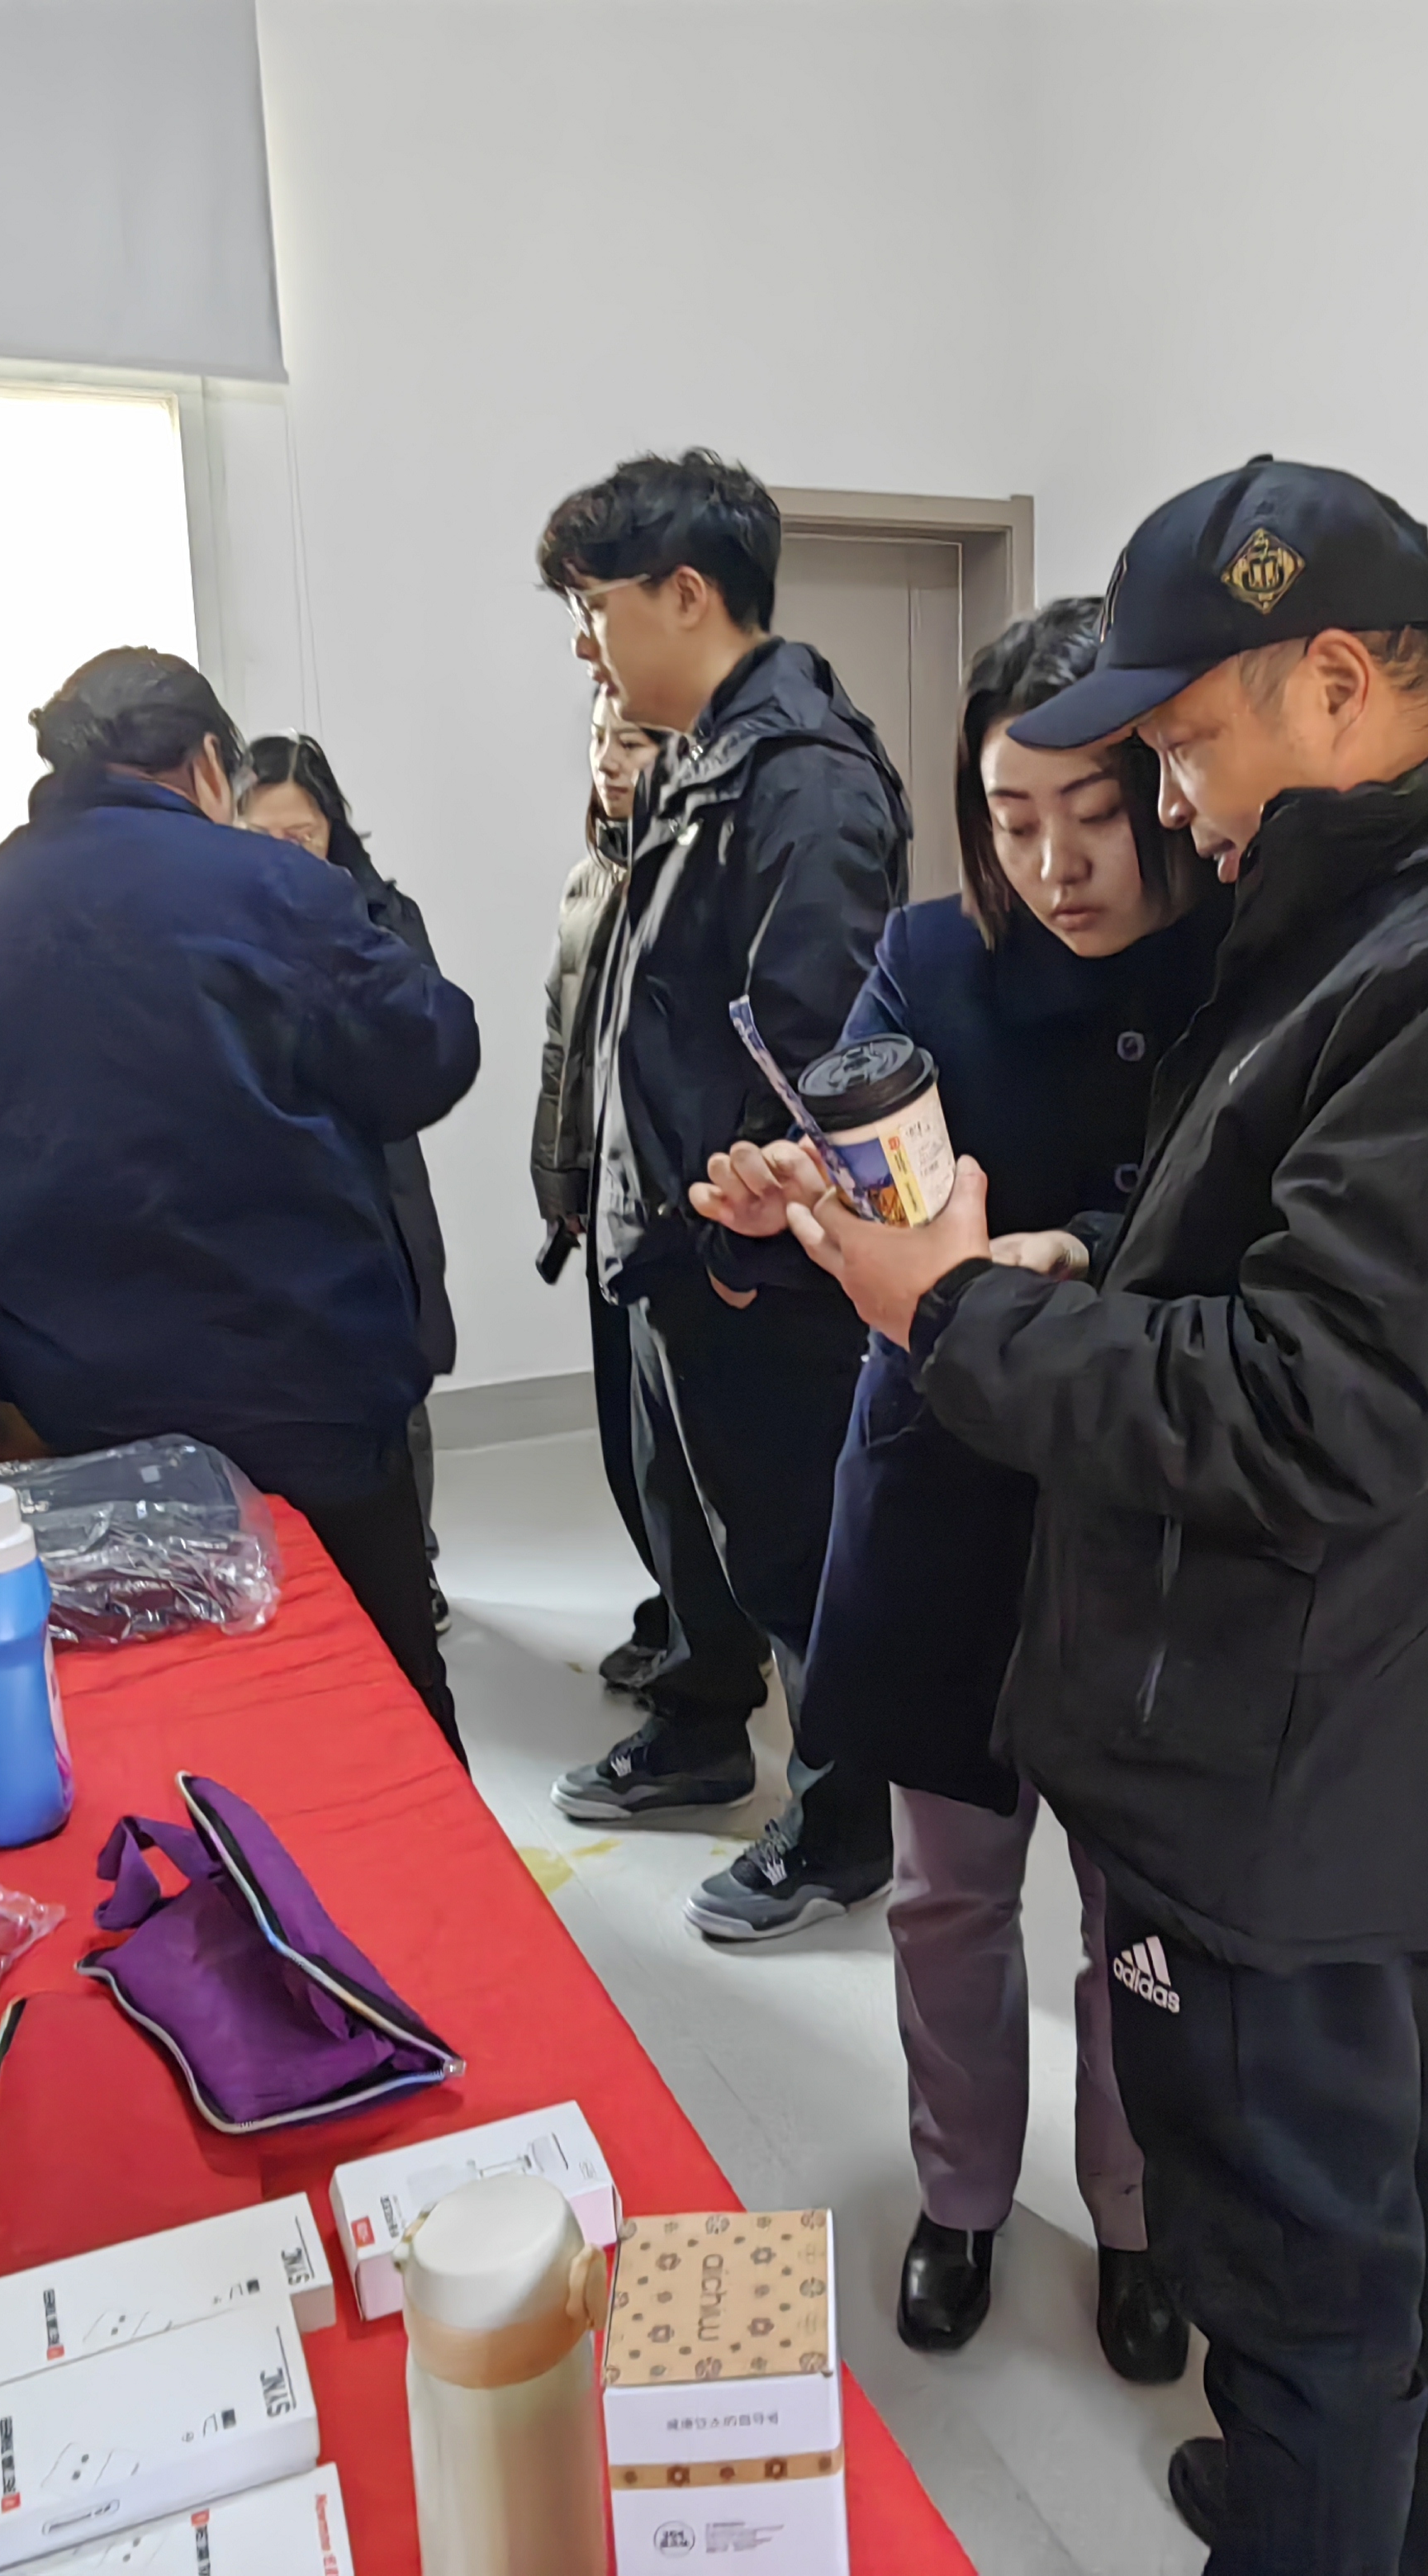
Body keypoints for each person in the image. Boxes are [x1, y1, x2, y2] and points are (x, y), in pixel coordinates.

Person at [766, 459, 1428, 2574]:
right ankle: (1397, 2516)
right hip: (1351, 1718)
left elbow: (1318, 1404)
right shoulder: (1415, 915)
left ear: (1331, 680)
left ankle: (1330, 2516)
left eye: (1183, 746)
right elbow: (1294, 1258)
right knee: (1389, 2168)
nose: (1170, 807)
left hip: (1283, 1736)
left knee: (1293, 2275)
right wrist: (1072, 1260)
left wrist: (950, 1310)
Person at [694, 599, 1218, 2385]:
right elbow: (862, 1182)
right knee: (946, 1890)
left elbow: (1244, 1221)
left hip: (1150, 1505)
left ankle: (1139, 2218)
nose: (1057, 866)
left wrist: (1075, 1251)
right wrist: (787, 1208)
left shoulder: (1241, 955)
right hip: (949, 1488)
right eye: (1013, 819)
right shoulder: (928, 955)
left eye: (1096, 815)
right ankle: (964, 2194)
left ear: (1166, 791)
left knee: (1140, 1921)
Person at [0, 648, 480, 1753]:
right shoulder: (266, 885)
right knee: (380, 1707)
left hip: (84, 1412)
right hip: (299, 1390)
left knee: (175, 1718)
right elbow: (432, 1055)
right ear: (209, 763)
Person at [534, 450, 909, 1941]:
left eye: (596, 605)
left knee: (801, 1559)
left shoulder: (801, 777)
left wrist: (731, 1248)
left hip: (751, 1257)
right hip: (677, 1245)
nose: (587, 644)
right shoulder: (698, 761)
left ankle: (843, 1829)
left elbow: (814, 1057)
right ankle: (702, 1737)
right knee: (698, 1530)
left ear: (687, 594)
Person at [529, 691, 759, 1718]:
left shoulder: (709, 878)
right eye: (597, 740)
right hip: (602, 1202)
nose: (609, 760)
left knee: (693, 1458)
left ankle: (715, 1648)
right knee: (630, 1447)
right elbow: (564, 1048)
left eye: (632, 740)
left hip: (677, 1211)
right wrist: (560, 1183)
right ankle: (679, 1614)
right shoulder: (590, 879)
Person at [242, 730, 458, 1633]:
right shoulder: (216, 929)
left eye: (304, 834)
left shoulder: (381, 916)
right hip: (271, 1195)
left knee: (398, 1381)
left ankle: (415, 1561)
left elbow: (421, 1043)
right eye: (263, 837)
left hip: (377, 1182)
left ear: (333, 828)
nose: (288, 854)